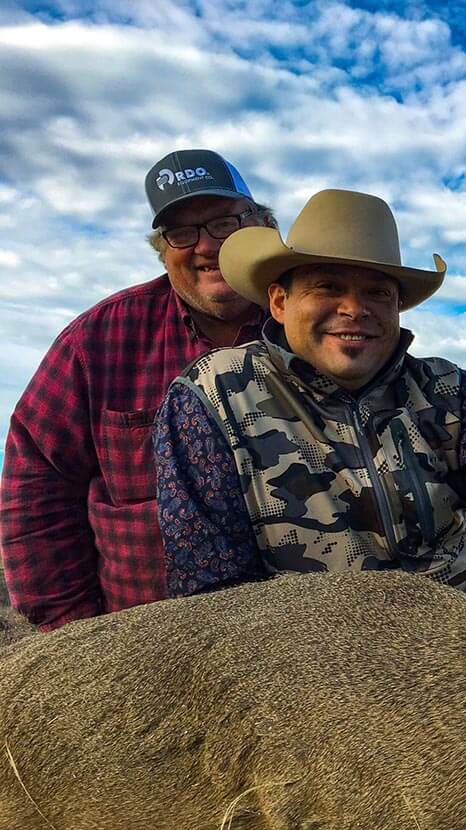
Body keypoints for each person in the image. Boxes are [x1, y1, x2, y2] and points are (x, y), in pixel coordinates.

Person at [155, 188, 466, 602]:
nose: (355, 309)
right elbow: (211, 591)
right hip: (312, 667)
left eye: (378, 292)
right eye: (328, 287)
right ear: (281, 301)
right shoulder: (211, 399)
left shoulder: (452, 391)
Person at [0, 150, 275, 630]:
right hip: (142, 651)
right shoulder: (96, 341)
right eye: (182, 233)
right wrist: (77, 635)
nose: (206, 247)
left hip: (305, 639)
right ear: (162, 249)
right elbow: (34, 488)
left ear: (263, 226)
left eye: (225, 223)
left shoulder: (315, 329)